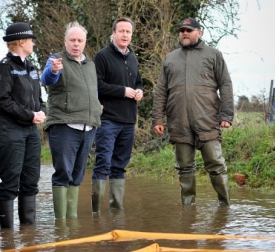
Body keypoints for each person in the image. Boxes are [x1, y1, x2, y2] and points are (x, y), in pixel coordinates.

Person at [152, 18, 234, 206]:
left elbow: (226, 85)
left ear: (200, 32)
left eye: (189, 30)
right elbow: (160, 91)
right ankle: (188, 211)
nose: (184, 33)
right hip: (178, 121)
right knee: (185, 168)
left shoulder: (214, 55)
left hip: (207, 120)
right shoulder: (170, 58)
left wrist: (226, 115)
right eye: (181, 30)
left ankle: (225, 206)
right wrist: (158, 118)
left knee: (216, 164)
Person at [41, 21, 101, 219]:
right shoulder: (56, 60)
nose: (76, 44)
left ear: (85, 42)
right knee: (63, 174)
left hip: (88, 126)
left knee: (77, 175)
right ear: (65, 41)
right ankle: (61, 225)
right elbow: (47, 78)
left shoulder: (90, 65)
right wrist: (55, 70)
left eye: (80, 40)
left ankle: (72, 221)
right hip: (64, 126)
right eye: (72, 40)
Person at [0, 22, 46, 228]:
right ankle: (7, 237)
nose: (33, 43)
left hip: (31, 132)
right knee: (10, 182)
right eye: (31, 39)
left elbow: (39, 98)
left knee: (31, 180)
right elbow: (1, 101)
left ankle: (27, 233)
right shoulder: (3, 68)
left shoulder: (32, 68)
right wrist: (30, 115)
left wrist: (42, 111)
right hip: (10, 129)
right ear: (22, 41)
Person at [91, 17, 143, 214]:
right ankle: (96, 213)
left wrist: (139, 91)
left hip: (129, 121)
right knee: (103, 163)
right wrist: (122, 91)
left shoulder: (132, 57)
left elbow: (138, 82)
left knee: (120, 165)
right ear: (113, 33)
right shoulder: (102, 56)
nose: (124, 35)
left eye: (128, 32)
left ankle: (116, 210)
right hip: (108, 120)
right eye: (121, 31)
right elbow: (98, 85)